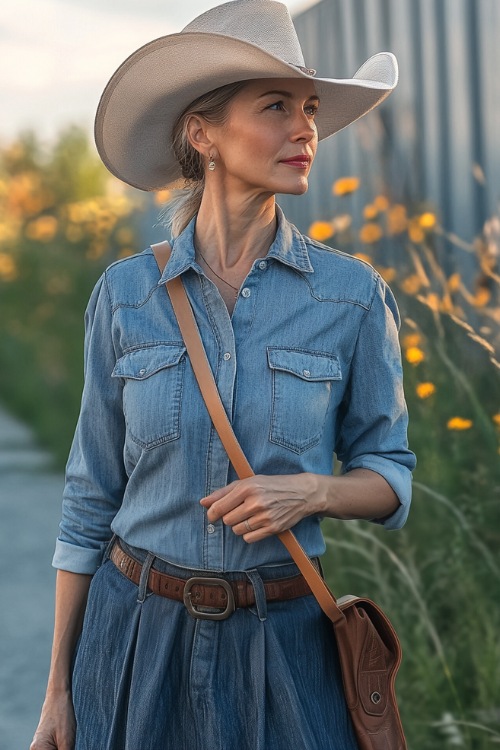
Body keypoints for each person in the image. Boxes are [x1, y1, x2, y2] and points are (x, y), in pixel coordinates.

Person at [31, 1, 416, 748]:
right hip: (135, 638)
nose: (305, 127)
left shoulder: (353, 296)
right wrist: (58, 689)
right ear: (201, 132)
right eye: (276, 106)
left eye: (309, 108)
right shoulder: (124, 295)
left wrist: (313, 492)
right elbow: (88, 502)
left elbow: (390, 475)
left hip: (287, 645)